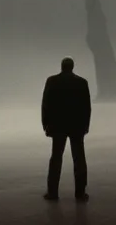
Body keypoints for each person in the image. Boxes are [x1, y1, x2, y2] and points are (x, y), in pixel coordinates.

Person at [41, 57, 92, 202]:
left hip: (58, 126)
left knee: (56, 158)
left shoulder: (52, 81)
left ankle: (52, 192)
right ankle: (80, 193)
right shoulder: (82, 83)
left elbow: (46, 104)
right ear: (72, 67)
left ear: (62, 67)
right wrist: (86, 125)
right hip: (76, 126)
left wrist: (45, 124)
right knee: (79, 158)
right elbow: (86, 107)